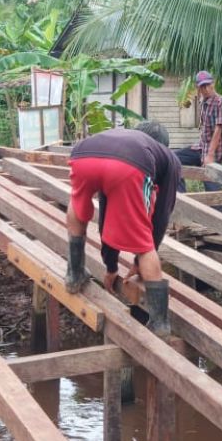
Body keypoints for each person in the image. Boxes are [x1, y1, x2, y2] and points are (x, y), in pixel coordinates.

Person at [63, 121, 181, 337]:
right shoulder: (167, 158)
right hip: (129, 166)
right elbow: (161, 214)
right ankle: (159, 323)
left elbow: (106, 210)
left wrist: (110, 266)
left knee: (78, 204)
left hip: (83, 154)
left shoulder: (124, 138)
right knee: (143, 240)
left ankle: (74, 273)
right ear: (164, 145)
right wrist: (139, 260)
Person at [173, 70, 222, 192]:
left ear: (213, 83)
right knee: (173, 158)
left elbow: (219, 128)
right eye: (202, 87)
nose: (206, 89)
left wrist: (210, 155)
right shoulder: (202, 102)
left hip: (214, 153)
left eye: (208, 85)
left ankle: (217, 211)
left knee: (212, 190)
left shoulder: (220, 101)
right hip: (201, 148)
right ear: (198, 88)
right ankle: (182, 198)